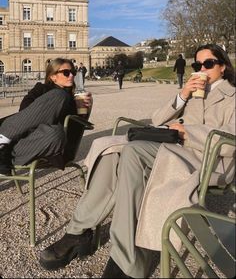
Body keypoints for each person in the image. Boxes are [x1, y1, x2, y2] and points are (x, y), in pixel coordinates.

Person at [39, 44, 235, 278]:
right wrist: (183, 95)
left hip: (208, 161)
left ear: (222, 67)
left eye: (208, 64)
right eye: (197, 65)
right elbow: (157, 118)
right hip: (176, 149)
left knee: (132, 152)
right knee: (110, 148)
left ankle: (129, 259)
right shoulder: (192, 92)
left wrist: (187, 132)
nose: (201, 69)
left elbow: (232, 140)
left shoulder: (232, 96)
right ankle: (79, 231)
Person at [0, 58, 92, 176]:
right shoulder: (41, 89)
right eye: (66, 73)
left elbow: (73, 132)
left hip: (27, 147)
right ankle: (2, 139)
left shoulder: (74, 99)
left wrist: (80, 111)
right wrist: (48, 109)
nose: (71, 76)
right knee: (59, 95)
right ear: (53, 76)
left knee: (57, 133)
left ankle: (3, 149)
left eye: (73, 72)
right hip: (17, 137)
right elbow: (24, 112)